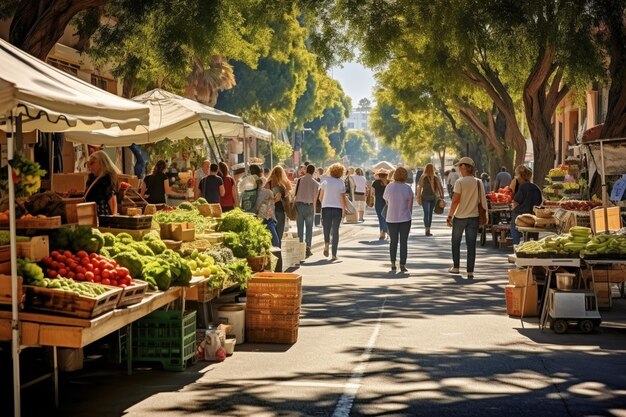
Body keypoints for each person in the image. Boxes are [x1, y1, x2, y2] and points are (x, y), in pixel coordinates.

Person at [446, 157, 488, 279]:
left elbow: (455, 201)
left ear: (464, 167)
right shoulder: (478, 182)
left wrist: (449, 216)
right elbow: (482, 200)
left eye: (460, 166)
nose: (459, 169)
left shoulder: (460, 182)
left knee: (455, 242)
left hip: (460, 217)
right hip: (474, 217)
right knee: (471, 245)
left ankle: (456, 267)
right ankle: (470, 271)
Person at [383, 167, 414, 273]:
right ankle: (402, 264)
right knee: (404, 242)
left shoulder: (389, 187)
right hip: (405, 218)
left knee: (393, 241)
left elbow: (386, 199)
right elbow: (410, 205)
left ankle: (392, 263)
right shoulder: (408, 188)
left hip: (391, 218)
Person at [319, 163, 348, 261]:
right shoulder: (341, 182)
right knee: (335, 231)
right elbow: (343, 198)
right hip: (337, 208)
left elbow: (320, 197)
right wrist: (345, 209)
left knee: (326, 228)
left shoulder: (325, 181)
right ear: (341, 172)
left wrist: (324, 204)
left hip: (326, 207)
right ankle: (334, 254)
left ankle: (326, 243)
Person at [511, 165, 543, 245]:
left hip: (520, 216)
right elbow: (540, 202)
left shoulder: (522, 187)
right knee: (532, 238)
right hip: (533, 216)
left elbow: (515, 202)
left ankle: (517, 248)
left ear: (521, 176)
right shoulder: (536, 188)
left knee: (516, 235)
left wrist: (513, 208)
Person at [295, 164, 320, 257]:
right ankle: (308, 248)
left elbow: (294, 193)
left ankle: (300, 247)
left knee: (300, 227)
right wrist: (313, 208)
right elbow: (315, 197)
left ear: (306, 170)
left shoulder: (299, 180)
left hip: (299, 205)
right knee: (309, 228)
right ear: (313, 171)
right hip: (309, 206)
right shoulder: (315, 183)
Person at [85, 150, 120, 216]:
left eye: (92, 163)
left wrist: (113, 218)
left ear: (102, 163)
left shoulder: (107, 178)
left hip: (103, 217)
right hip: (90, 216)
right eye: (89, 164)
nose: (90, 167)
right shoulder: (91, 178)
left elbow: (112, 199)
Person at [266, 165, 293, 245]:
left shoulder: (268, 183)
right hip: (280, 211)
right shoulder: (285, 184)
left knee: (271, 234)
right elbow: (288, 197)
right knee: (279, 234)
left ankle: (272, 252)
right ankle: (278, 252)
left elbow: (264, 196)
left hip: (270, 212)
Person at [416, 163, 444, 236]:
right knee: (430, 214)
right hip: (433, 198)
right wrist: (441, 196)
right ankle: (429, 229)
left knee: (426, 214)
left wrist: (418, 198)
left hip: (424, 197)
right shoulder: (435, 177)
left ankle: (426, 229)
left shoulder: (423, 177)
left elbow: (419, 188)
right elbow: (440, 187)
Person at [371, 168, 390, 239]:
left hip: (378, 202)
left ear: (379, 175)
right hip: (388, 203)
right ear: (386, 175)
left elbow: (372, 193)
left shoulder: (375, 183)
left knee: (380, 217)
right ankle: (386, 231)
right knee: (386, 218)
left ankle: (382, 233)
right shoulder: (389, 182)